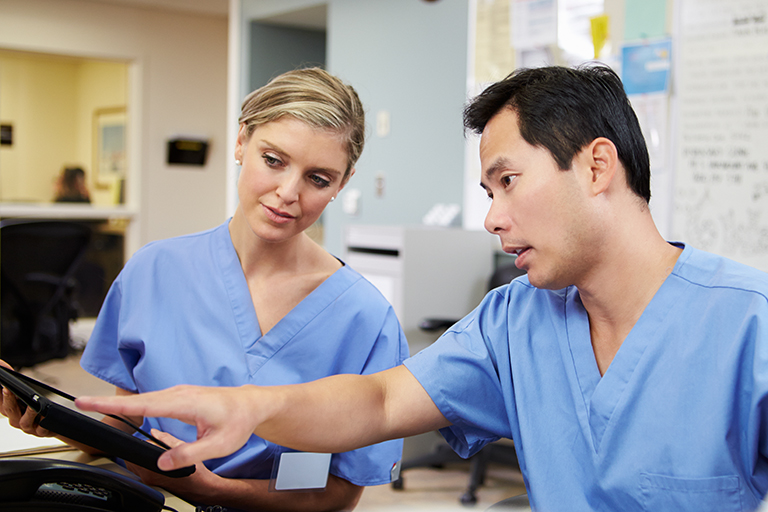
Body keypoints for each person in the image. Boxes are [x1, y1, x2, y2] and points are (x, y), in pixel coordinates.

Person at [75, 64, 768, 511]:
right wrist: (250, 406)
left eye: (507, 180)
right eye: (487, 190)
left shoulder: (748, 326)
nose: (493, 217)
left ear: (595, 166)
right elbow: (379, 399)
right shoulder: (514, 320)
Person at [1, 67, 409, 512]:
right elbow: (126, 428)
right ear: (240, 143)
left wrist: (211, 490)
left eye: (318, 178)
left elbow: (340, 494)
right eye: (273, 160)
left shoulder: (364, 318)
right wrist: (51, 421)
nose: (288, 192)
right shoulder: (155, 270)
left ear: (343, 183)